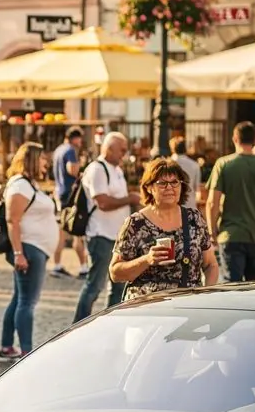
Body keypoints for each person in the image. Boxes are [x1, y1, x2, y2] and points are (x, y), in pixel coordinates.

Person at [109, 156, 218, 301]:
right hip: (147, 306)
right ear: (149, 188)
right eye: (162, 183)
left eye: (174, 182)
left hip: (188, 305)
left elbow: (211, 265)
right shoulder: (135, 223)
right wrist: (147, 259)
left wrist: (205, 296)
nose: (169, 188)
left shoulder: (194, 219)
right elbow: (115, 273)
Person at [0, 142, 59, 359]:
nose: (45, 162)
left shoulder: (29, 184)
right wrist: (18, 253)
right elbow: (12, 220)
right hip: (29, 248)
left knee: (19, 299)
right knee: (27, 302)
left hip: (34, 248)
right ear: (32, 159)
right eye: (42, 158)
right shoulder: (20, 186)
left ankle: (7, 346)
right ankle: (26, 351)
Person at [73, 131, 139, 323]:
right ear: (109, 149)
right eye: (122, 150)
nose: (124, 154)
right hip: (101, 235)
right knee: (94, 286)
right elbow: (102, 202)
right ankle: (78, 326)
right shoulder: (97, 169)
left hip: (118, 237)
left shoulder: (117, 170)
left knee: (118, 287)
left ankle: (110, 325)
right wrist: (130, 199)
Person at [207, 121, 255, 283]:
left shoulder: (224, 164)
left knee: (232, 286)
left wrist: (211, 231)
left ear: (234, 138)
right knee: (254, 284)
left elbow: (212, 202)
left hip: (231, 233)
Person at [50, 126, 87, 277]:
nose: (81, 142)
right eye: (80, 139)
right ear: (75, 138)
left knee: (62, 231)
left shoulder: (58, 150)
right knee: (75, 230)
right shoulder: (70, 150)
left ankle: (57, 264)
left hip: (59, 192)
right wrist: (81, 169)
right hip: (70, 195)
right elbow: (72, 169)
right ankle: (83, 267)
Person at [169, 136, 202, 210]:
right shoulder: (195, 165)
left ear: (172, 148)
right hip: (190, 205)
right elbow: (197, 188)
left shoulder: (167, 164)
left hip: (170, 206)